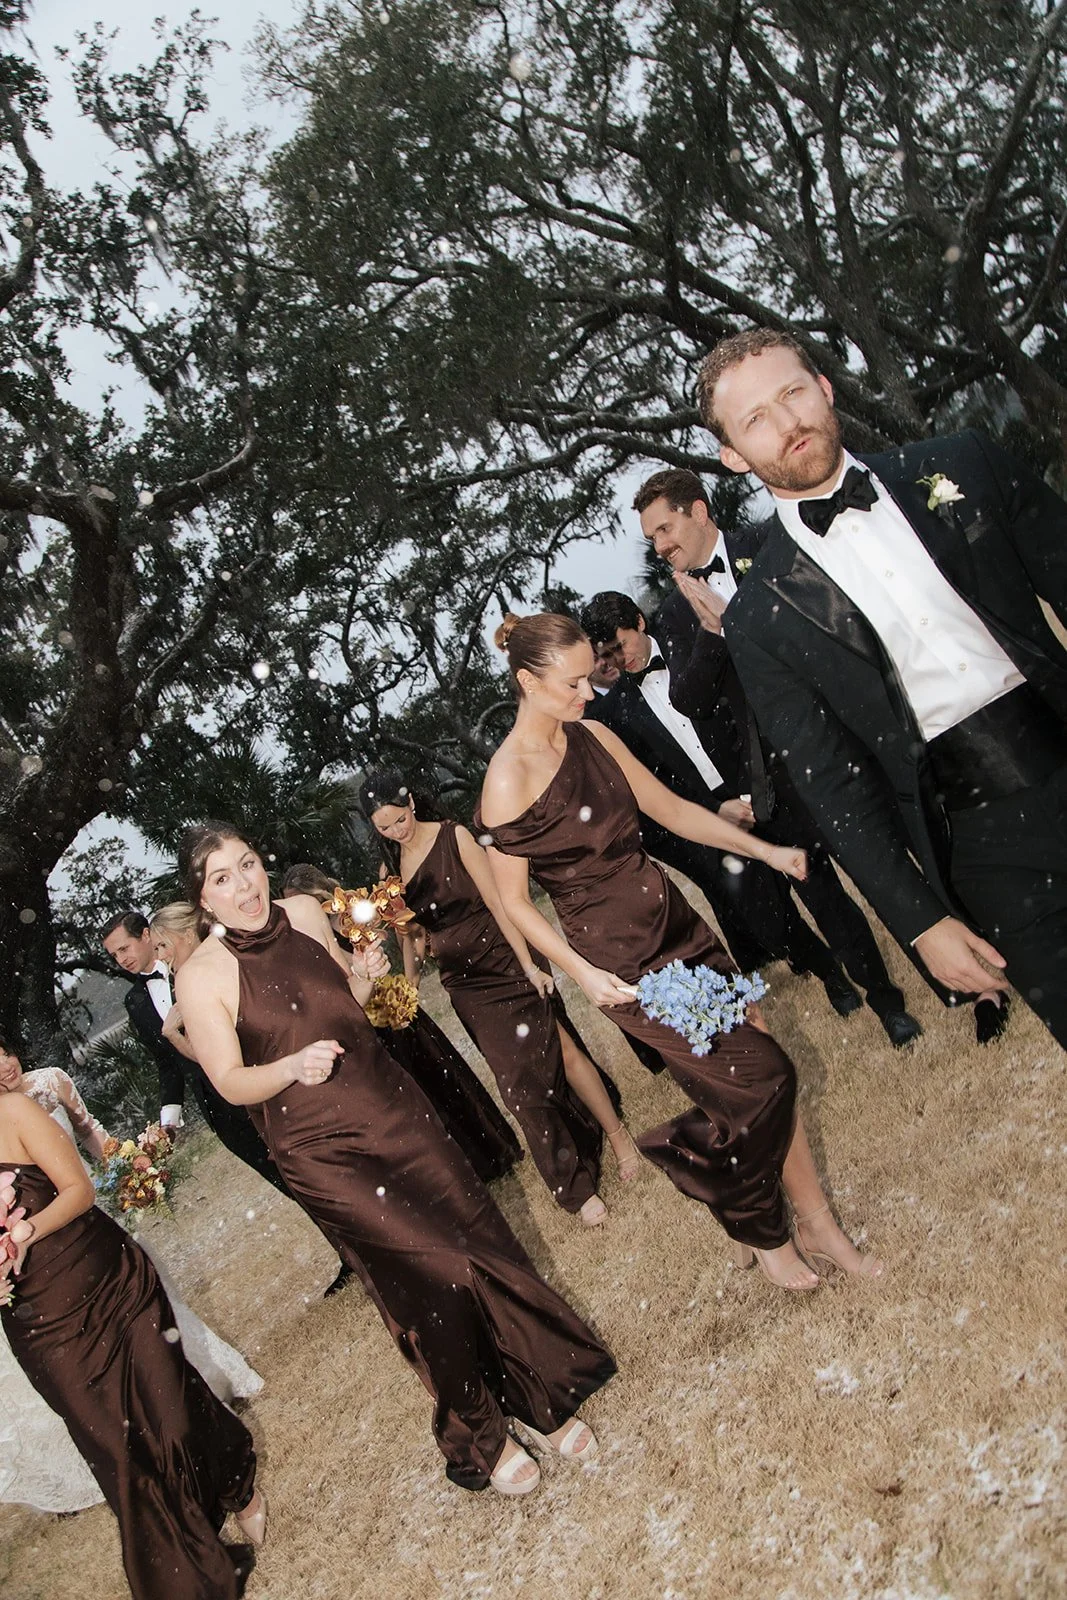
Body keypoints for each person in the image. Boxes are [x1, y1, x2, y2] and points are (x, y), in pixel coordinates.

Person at [175, 822, 615, 1495]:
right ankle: (479, 1430)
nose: (244, 885)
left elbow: (347, 1002)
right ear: (204, 901)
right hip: (321, 1153)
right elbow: (232, 1082)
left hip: (391, 1110)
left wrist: (364, 974)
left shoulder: (300, 913)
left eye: (250, 863)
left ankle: (539, 1396)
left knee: (481, 1243)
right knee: (431, 1277)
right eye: (222, 879)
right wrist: (291, 1065)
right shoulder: (201, 978)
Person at [479, 611, 882, 1292]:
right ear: (527, 680)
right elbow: (515, 904)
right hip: (624, 961)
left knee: (748, 1062)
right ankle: (748, 1215)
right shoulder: (505, 782)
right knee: (763, 1077)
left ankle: (812, 1222)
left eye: (588, 678)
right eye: (573, 682)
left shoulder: (596, 735)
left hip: (677, 926)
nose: (588, 692)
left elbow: (669, 809)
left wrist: (764, 851)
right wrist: (581, 973)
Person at [696, 328, 1067, 1044]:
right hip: (981, 850)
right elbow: (832, 787)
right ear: (733, 456)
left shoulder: (962, 463)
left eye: (792, 393)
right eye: (756, 420)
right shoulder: (759, 617)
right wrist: (920, 923)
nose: (788, 423)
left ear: (825, 388)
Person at [626, 478, 926, 1051]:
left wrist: (739, 614)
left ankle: (959, 979)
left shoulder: (770, 543)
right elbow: (688, 699)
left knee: (891, 871)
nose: (660, 545)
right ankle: (888, 1004)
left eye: (664, 528)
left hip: (840, 750)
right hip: (771, 784)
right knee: (827, 902)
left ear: (699, 512)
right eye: (651, 538)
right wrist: (715, 633)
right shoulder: (672, 612)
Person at [0, 1089, 266, 1597]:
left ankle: (234, 1479)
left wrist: (26, 1230)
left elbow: (78, 1190)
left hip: (112, 1286)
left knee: (172, 1415)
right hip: (43, 1332)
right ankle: (183, 1580)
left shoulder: (12, 1112)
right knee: (120, 1457)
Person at [360, 772, 640, 1226]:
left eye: (399, 818)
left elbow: (499, 901)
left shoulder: (456, 837)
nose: (397, 831)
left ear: (410, 800)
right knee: (517, 1084)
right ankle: (571, 1183)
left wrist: (529, 967)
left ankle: (618, 1134)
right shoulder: (388, 875)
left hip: (506, 960)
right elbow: (410, 937)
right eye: (386, 828)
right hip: (466, 987)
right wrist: (409, 978)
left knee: (562, 1053)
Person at [583, 588, 856, 991]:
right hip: (708, 814)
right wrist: (715, 809)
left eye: (620, 646)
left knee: (819, 888)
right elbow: (658, 783)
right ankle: (828, 970)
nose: (619, 661)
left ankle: (861, 974)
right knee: (765, 919)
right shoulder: (614, 712)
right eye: (607, 655)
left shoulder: (689, 642)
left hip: (762, 783)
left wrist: (751, 784)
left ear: (639, 622)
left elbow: (744, 713)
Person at [149, 901, 356, 1298]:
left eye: (161, 945)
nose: (160, 955)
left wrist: (177, 1038)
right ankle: (350, 1246)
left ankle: (358, 1242)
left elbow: (223, 1061)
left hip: (272, 1081)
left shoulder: (207, 974)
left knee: (319, 1168)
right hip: (244, 1098)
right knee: (300, 1178)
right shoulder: (191, 976)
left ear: (182, 934)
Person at [277, 865, 522, 1186]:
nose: (296, 911)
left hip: (390, 1006)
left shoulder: (347, 914)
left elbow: (403, 930)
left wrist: (409, 978)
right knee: (415, 1099)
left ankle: (488, 1155)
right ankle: (459, 1170)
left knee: (439, 1080)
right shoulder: (302, 936)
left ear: (317, 894)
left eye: (299, 901)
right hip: (362, 1022)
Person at [102, 910, 187, 1130]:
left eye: (124, 948)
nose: (121, 960)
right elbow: (167, 1062)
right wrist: (168, 1120)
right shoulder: (134, 1002)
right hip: (214, 1105)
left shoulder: (186, 962)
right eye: (114, 956)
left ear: (146, 935)